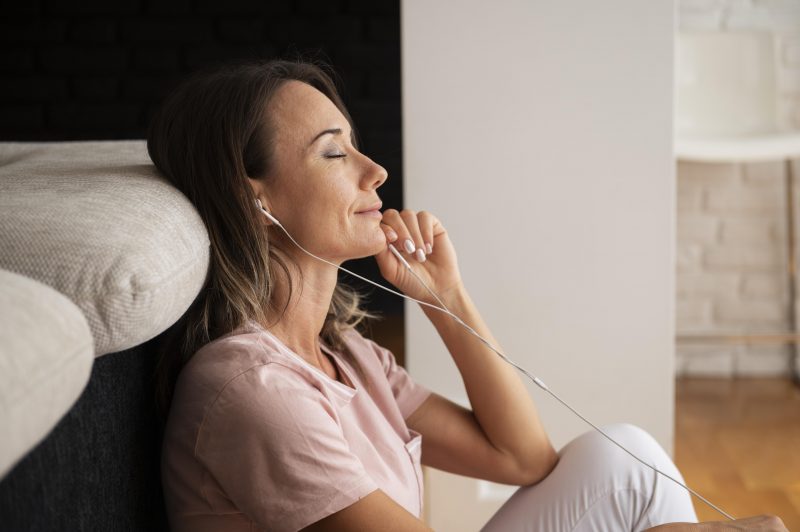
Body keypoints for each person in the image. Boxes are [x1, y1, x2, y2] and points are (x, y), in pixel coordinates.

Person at [146, 59, 787, 532]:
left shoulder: (347, 357)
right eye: (334, 154)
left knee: (624, 459)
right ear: (253, 198)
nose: (376, 172)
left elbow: (524, 457)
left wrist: (445, 297)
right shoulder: (252, 389)